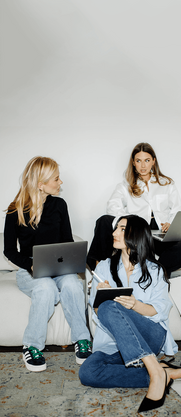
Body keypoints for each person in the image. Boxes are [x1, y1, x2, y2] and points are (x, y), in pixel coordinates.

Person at [80, 215, 181, 412]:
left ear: (136, 235)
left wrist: (135, 304)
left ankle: (154, 370)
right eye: (115, 228)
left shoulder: (155, 270)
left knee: (112, 305)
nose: (114, 233)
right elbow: (98, 312)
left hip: (150, 336)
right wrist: (101, 297)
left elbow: (159, 310)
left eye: (121, 229)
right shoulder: (102, 268)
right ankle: (163, 372)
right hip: (113, 342)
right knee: (88, 372)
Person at [4, 156, 92, 372]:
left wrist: (73, 261)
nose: (60, 182)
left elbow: (67, 242)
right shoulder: (16, 209)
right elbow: (9, 250)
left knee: (72, 285)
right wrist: (30, 265)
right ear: (41, 184)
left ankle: (82, 341)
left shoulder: (60, 205)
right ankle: (32, 346)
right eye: (56, 178)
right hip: (30, 269)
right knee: (45, 288)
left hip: (58, 266)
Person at [87, 142, 181, 276]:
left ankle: (155, 274)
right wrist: (131, 223)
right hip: (139, 235)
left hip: (160, 235)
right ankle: (98, 271)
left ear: (153, 161)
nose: (143, 165)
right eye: (139, 161)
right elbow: (112, 206)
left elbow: (177, 209)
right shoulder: (126, 185)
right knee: (104, 221)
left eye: (147, 160)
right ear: (133, 162)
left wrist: (171, 223)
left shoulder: (166, 184)